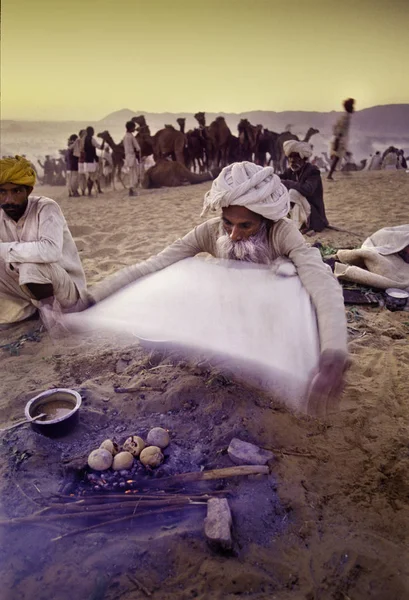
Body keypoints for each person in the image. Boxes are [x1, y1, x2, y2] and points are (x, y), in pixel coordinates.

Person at [89, 162, 349, 416]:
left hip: (275, 312)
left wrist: (334, 350)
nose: (234, 234)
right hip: (235, 308)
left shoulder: (282, 232)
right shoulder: (210, 231)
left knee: (291, 276)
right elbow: (153, 265)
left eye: (245, 226)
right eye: (228, 223)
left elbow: (322, 283)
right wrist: (94, 297)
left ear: (266, 220)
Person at [0, 156, 87, 330]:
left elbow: (50, 251)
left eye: (16, 191)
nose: (9, 199)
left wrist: (5, 250)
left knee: (30, 266)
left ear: (28, 190)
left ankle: (54, 320)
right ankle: (24, 312)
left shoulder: (46, 208)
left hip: (66, 291)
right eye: (2, 192)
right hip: (27, 292)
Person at [279, 140, 328, 233]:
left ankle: (299, 225)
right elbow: (279, 179)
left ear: (303, 158)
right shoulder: (290, 171)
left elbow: (307, 190)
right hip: (302, 212)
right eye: (290, 157)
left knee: (293, 193)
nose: (292, 160)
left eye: (296, 156)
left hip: (314, 217)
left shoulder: (313, 171)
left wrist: (287, 183)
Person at [327, 98, 355, 181]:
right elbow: (339, 129)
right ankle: (330, 174)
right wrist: (337, 140)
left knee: (339, 157)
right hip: (340, 140)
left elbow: (335, 127)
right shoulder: (345, 117)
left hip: (340, 139)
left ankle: (335, 172)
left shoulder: (345, 116)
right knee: (337, 157)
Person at [123, 121, 141, 196]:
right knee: (134, 173)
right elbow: (138, 148)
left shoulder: (125, 136)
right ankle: (132, 190)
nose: (134, 129)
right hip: (132, 156)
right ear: (131, 128)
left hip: (127, 157)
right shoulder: (131, 137)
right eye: (133, 127)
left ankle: (131, 189)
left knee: (131, 173)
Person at [83, 126, 103, 196]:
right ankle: (89, 192)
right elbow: (100, 147)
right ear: (91, 132)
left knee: (90, 176)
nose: (94, 132)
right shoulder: (92, 139)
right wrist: (104, 140)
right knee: (92, 177)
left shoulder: (84, 139)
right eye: (93, 131)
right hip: (92, 160)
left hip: (86, 160)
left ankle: (89, 192)